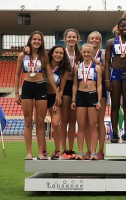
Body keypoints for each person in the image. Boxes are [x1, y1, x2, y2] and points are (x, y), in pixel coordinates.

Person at [15, 31, 60, 160]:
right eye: (34, 39)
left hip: (41, 86)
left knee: (40, 122)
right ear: (30, 40)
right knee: (28, 122)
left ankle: (41, 152)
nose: (36, 41)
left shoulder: (44, 56)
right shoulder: (22, 56)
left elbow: (50, 75)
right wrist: (17, 93)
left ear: (42, 42)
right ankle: (29, 152)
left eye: (39, 40)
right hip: (27, 87)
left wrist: (56, 92)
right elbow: (17, 75)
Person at [105, 18, 126, 143]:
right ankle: (115, 134)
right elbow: (107, 62)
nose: (125, 28)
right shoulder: (111, 42)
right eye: (122, 26)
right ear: (118, 28)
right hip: (115, 75)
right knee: (115, 106)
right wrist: (107, 79)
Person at [71, 44, 102, 160]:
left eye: (88, 52)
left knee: (93, 125)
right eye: (84, 52)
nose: (86, 54)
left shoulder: (97, 67)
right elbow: (75, 84)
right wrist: (73, 99)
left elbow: (99, 85)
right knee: (81, 125)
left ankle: (93, 152)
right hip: (80, 96)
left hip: (92, 95)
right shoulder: (77, 67)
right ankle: (80, 152)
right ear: (81, 53)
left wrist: (99, 100)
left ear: (92, 53)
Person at [60, 29, 83, 160]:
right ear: (65, 38)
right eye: (69, 37)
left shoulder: (79, 54)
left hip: (76, 87)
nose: (71, 39)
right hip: (64, 87)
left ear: (77, 39)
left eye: (74, 37)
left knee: (73, 120)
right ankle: (63, 149)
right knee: (64, 120)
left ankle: (70, 149)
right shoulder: (60, 53)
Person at [84, 31, 106, 160]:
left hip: (100, 89)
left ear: (100, 41)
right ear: (88, 40)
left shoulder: (103, 54)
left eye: (97, 39)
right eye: (92, 38)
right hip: (86, 90)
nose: (94, 40)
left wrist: (94, 60)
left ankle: (100, 150)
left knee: (99, 121)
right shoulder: (84, 52)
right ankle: (88, 150)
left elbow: (104, 69)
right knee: (88, 123)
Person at [46, 45, 69, 160]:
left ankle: (56, 150)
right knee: (39, 123)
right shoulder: (45, 64)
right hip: (41, 96)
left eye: (61, 53)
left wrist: (56, 101)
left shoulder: (63, 70)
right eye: (56, 52)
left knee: (55, 123)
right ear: (52, 53)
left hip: (54, 97)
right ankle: (43, 150)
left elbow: (61, 88)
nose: (58, 55)